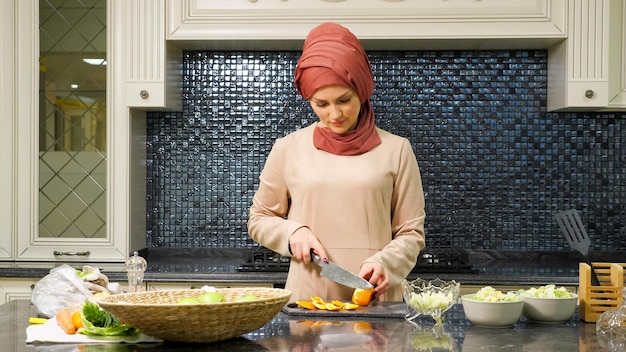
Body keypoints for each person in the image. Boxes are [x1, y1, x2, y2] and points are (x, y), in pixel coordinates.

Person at [247, 22, 425, 303]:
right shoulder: (287, 149)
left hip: (376, 300)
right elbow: (259, 219)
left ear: (362, 91)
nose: (334, 114)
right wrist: (293, 232)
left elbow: (410, 233)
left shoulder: (397, 150)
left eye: (344, 100)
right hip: (309, 299)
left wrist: (387, 263)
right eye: (321, 103)